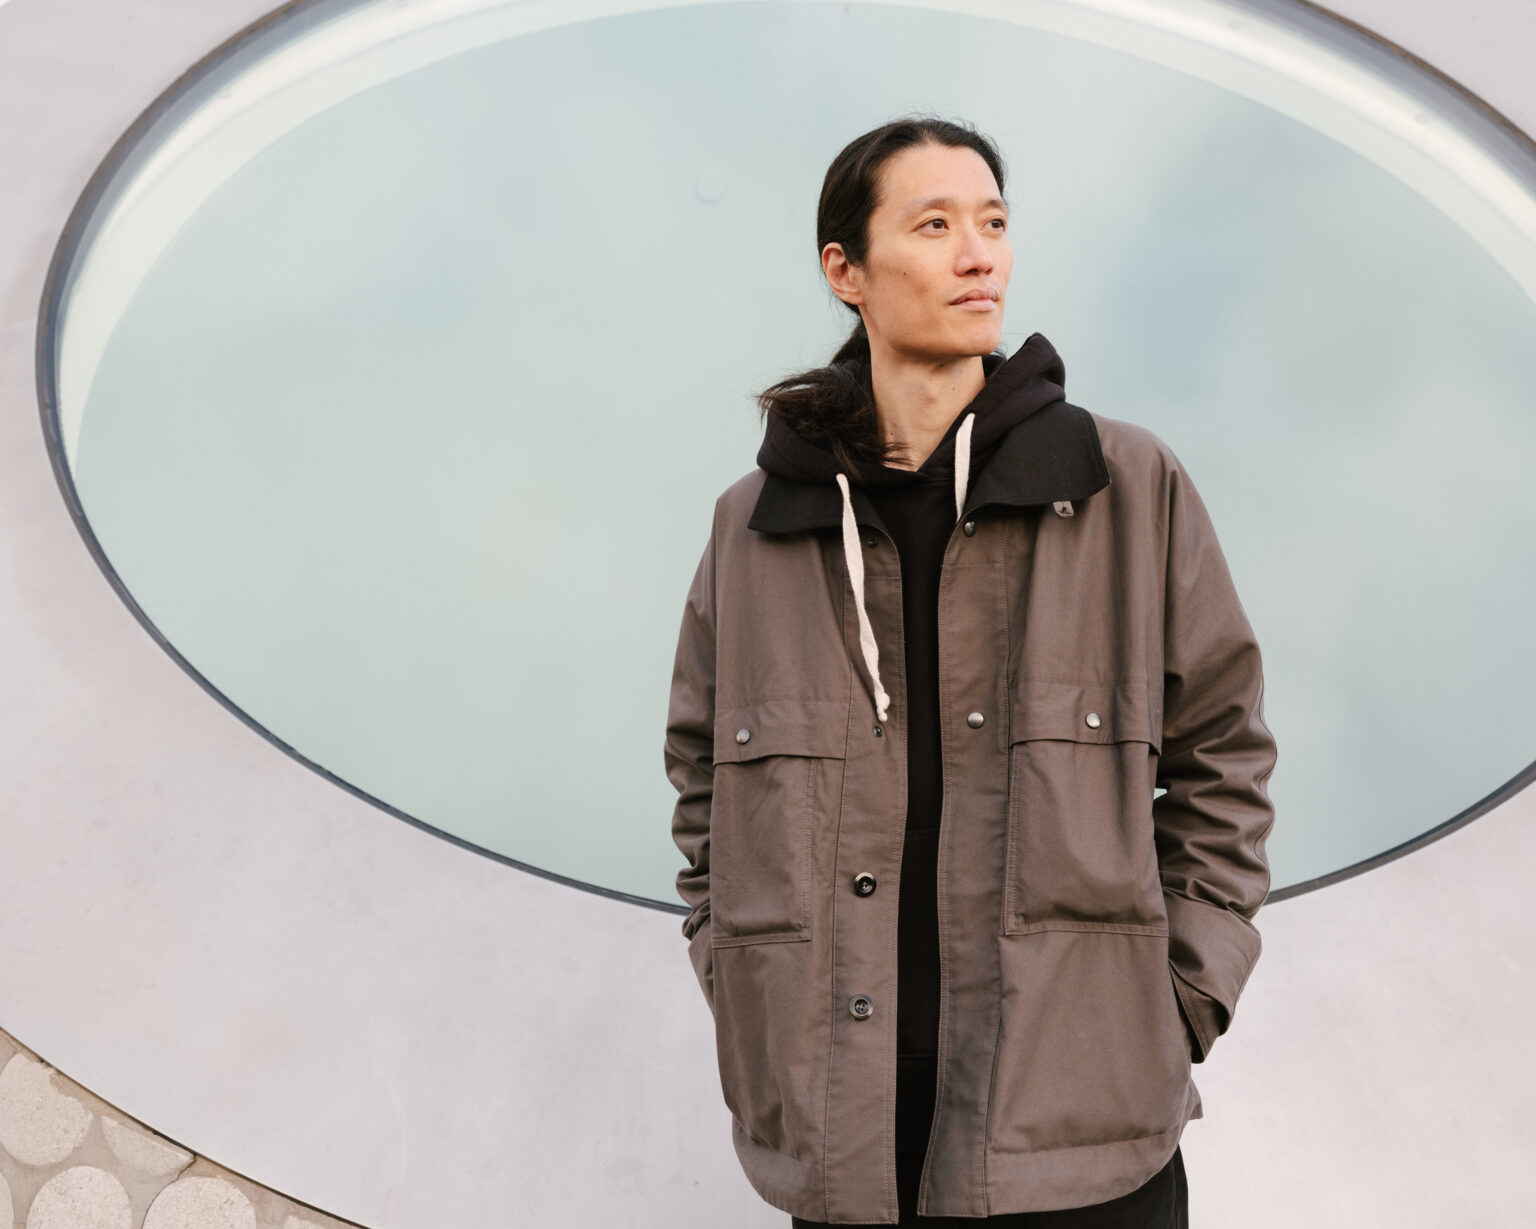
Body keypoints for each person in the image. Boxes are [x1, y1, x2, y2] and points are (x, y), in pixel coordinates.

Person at [664, 115, 1276, 1227]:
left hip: (1086, 1139)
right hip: (846, 1149)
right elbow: (704, 781)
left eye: (992, 222)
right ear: (843, 270)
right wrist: (739, 978)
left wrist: (1180, 994)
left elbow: (1223, 751)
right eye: (934, 223)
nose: (978, 254)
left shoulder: (1126, 486)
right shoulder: (755, 524)